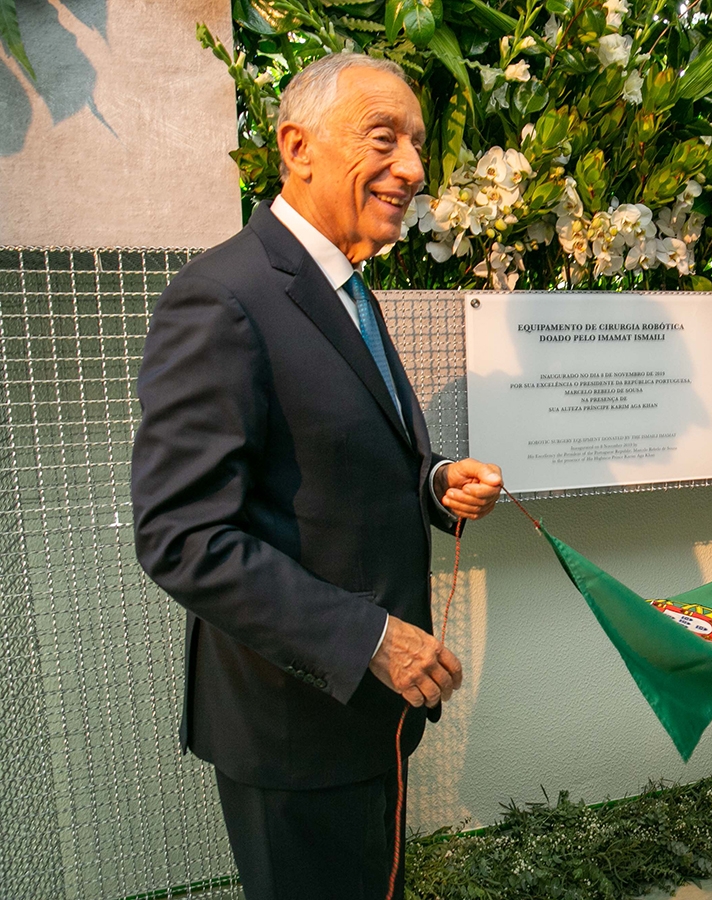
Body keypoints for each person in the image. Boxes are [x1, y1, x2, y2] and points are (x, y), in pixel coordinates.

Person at [131, 53, 503, 899]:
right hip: (295, 729)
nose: (413, 167)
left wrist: (436, 481)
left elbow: (348, 458)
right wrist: (370, 638)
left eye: (417, 143)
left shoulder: (348, 287)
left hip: (367, 723)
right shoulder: (222, 297)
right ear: (297, 146)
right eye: (385, 138)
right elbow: (182, 536)